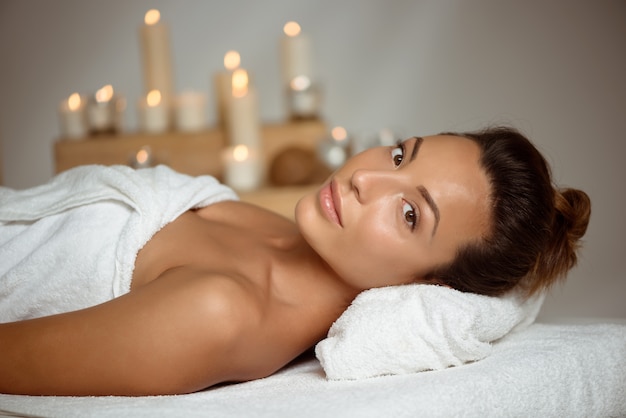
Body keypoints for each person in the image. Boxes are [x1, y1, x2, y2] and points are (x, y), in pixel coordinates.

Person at [0, 126, 590, 396]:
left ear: (429, 286)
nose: (366, 177)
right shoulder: (285, 232)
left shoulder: (223, 313)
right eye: (399, 154)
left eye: (410, 214)